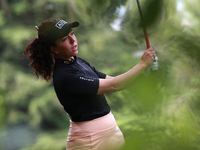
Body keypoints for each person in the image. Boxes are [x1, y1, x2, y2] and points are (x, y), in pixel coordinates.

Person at [22, 18, 156, 150]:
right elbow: (114, 85)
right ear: (54, 49)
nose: (73, 40)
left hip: (111, 133)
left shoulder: (77, 61)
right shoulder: (65, 76)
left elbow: (111, 80)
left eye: (72, 34)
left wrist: (144, 75)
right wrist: (142, 64)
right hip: (89, 140)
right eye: (64, 39)